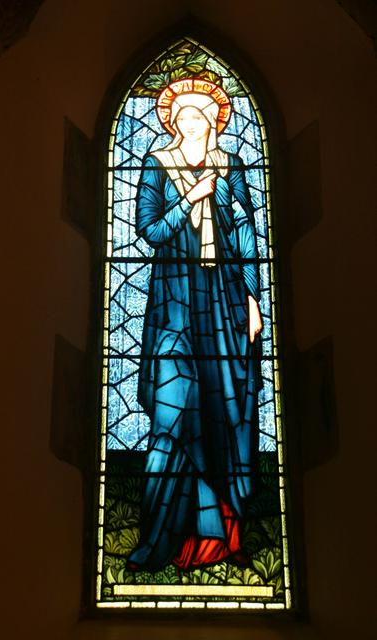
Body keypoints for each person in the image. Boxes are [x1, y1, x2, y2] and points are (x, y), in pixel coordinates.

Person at [128, 79, 263, 572]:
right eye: (182, 117)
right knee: (174, 413)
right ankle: (160, 541)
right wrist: (189, 200)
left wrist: (253, 299)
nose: (191, 124)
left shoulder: (232, 167)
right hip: (176, 304)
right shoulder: (157, 165)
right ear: (172, 124)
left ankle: (224, 539)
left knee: (221, 415)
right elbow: (149, 230)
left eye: (201, 117)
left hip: (224, 301)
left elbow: (248, 235)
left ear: (213, 123)